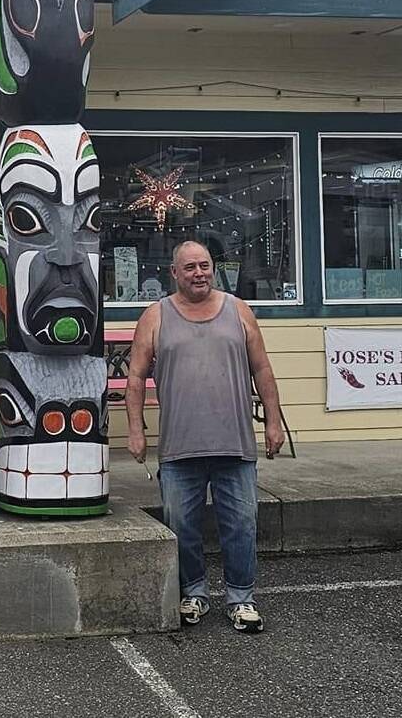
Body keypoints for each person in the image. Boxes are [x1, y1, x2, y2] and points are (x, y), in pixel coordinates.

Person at [127, 238, 284, 634]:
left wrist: (274, 422)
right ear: (175, 273)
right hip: (179, 446)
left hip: (235, 443)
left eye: (205, 265)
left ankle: (241, 598)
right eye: (190, 268)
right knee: (181, 524)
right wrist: (135, 429)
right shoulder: (156, 315)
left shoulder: (239, 311)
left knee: (242, 523)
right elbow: (136, 375)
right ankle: (193, 592)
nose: (199, 274)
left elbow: (262, 369)